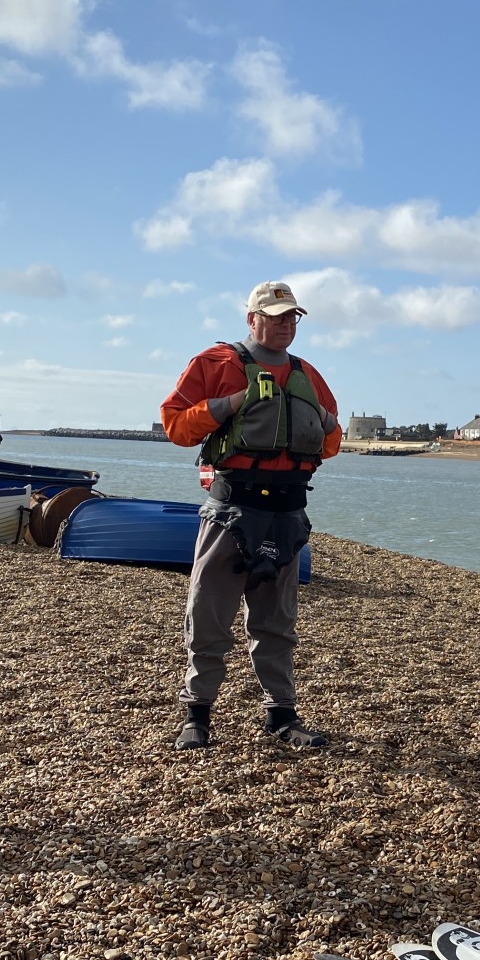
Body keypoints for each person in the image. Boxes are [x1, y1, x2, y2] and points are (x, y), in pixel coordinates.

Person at [160, 281, 342, 749]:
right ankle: (196, 716)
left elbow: (331, 443)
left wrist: (320, 424)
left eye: (292, 317)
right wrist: (232, 404)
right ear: (252, 318)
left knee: (276, 623)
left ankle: (281, 716)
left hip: (287, 513)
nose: (285, 324)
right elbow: (176, 426)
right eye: (275, 315)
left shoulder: (308, 376)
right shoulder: (214, 364)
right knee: (208, 615)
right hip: (231, 510)